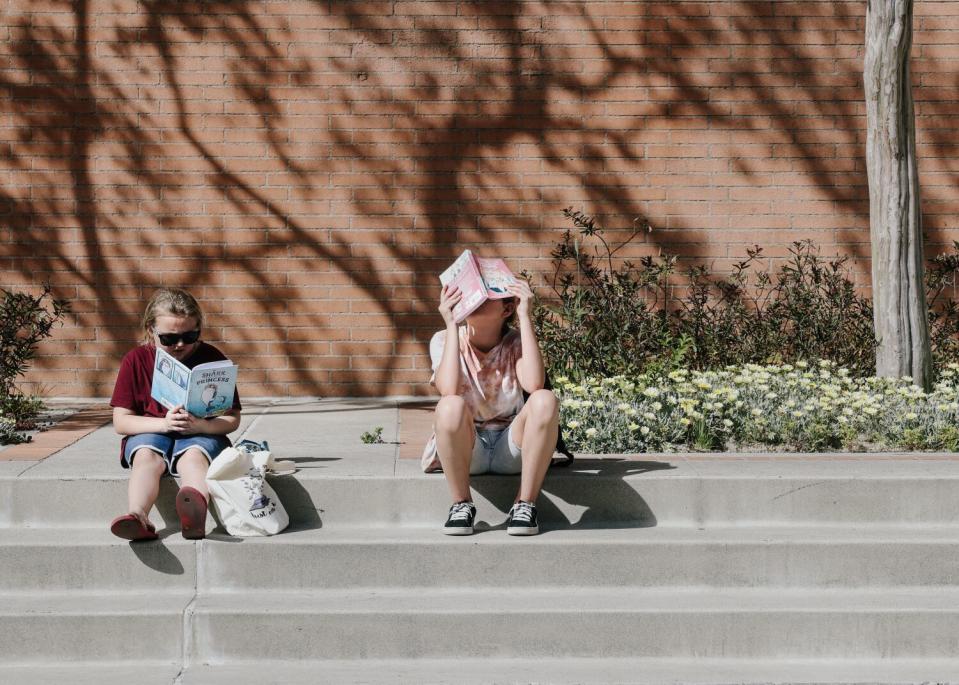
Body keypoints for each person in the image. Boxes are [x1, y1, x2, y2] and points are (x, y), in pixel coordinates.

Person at [426, 278, 560, 536]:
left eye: (486, 296)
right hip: (468, 447)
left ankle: (524, 505)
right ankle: (461, 505)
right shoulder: (444, 339)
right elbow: (448, 389)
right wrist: (452, 323)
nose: (475, 299)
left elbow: (534, 383)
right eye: (472, 292)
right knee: (450, 405)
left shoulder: (516, 343)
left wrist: (525, 316)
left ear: (506, 309)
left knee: (545, 399)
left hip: (510, 448)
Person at [109, 288, 241, 541]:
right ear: (151, 330)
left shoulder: (212, 358)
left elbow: (232, 417)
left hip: (201, 431)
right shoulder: (136, 360)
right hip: (152, 429)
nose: (180, 344)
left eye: (190, 335)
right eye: (169, 338)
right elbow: (121, 421)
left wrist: (203, 426)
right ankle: (138, 516)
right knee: (146, 457)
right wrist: (164, 424)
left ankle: (195, 511)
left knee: (193, 458)